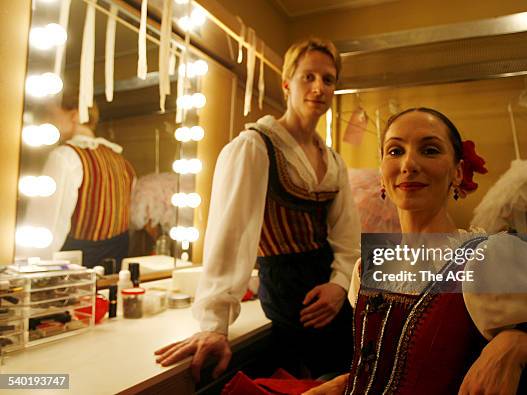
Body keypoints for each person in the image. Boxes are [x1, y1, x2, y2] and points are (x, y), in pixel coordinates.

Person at [305, 108, 527, 395]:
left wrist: (520, 344)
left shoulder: (487, 261)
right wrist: (347, 383)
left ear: (457, 172)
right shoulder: (366, 268)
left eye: (430, 150)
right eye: (395, 150)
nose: (409, 164)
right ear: (383, 172)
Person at [155, 38, 360, 381]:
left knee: (343, 377)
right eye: (308, 77)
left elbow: (346, 236)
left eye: (328, 79)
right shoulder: (255, 146)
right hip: (285, 290)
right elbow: (231, 235)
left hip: (333, 294)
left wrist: (340, 285)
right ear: (287, 84)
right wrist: (214, 324)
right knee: (302, 381)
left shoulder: (334, 160)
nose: (319, 88)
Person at [19, 96, 136, 270]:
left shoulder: (65, 156)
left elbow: (46, 223)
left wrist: (28, 266)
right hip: (113, 273)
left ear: (74, 115)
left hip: (73, 275)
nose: (47, 121)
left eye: (51, 115)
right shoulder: (122, 161)